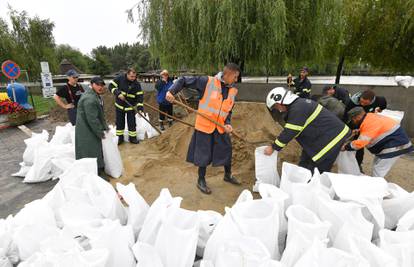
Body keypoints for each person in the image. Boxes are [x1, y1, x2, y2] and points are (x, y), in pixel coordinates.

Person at [165, 63, 241, 194]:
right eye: (235, 77)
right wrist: (171, 91)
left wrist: (228, 123)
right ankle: (201, 180)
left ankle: (227, 175)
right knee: (203, 154)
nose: (236, 80)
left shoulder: (232, 91)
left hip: (221, 127)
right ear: (228, 74)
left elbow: (228, 111)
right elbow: (183, 80)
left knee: (226, 149)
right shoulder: (207, 81)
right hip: (205, 126)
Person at [264, 87, 351, 173]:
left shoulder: (298, 108)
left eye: (276, 106)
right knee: (304, 164)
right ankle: (304, 183)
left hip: (331, 140)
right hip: (324, 137)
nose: (278, 109)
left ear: (281, 101)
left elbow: (290, 132)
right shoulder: (299, 105)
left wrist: (273, 147)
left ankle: (314, 184)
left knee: (317, 171)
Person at [343, 107, 413, 177]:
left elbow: (361, 142)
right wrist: (360, 130)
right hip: (395, 142)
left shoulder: (368, 123)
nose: (353, 122)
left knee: (379, 170)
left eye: (353, 119)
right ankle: (376, 183)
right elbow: (375, 128)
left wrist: (346, 147)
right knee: (377, 165)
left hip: (395, 145)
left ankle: (377, 185)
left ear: (358, 117)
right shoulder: (369, 116)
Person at [344, 89, 388, 171]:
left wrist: (379, 110)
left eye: (365, 103)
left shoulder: (380, 100)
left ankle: (358, 165)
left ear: (372, 101)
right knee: (357, 142)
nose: (362, 104)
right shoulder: (353, 102)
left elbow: (383, 106)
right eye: (361, 101)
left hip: (368, 123)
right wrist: (348, 128)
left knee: (361, 145)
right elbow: (346, 116)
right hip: (355, 123)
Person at [75, 77, 109, 178]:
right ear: (92, 84)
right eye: (97, 84)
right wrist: (100, 132)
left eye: (102, 85)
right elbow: (92, 120)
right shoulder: (90, 99)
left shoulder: (94, 95)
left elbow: (99, 115)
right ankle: (97, 173)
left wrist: (105, 127)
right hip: (87, 129)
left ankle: (95, 170)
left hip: (88, 128)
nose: (100, 87)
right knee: (92, 150)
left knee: (92, 149)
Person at [108, 68, 144, 145]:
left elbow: (140, 97)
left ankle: (132, 138)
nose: (133, 78)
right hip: (120, 106)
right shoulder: (120, 78)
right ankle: (120, 138)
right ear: (127, 74)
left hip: (130, 107)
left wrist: (140, 108)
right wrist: (118, 93)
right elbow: (110, 86)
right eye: (131, 76)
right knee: (120, 123)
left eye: (134, 76)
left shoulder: (136, 84)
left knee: (132, 123)